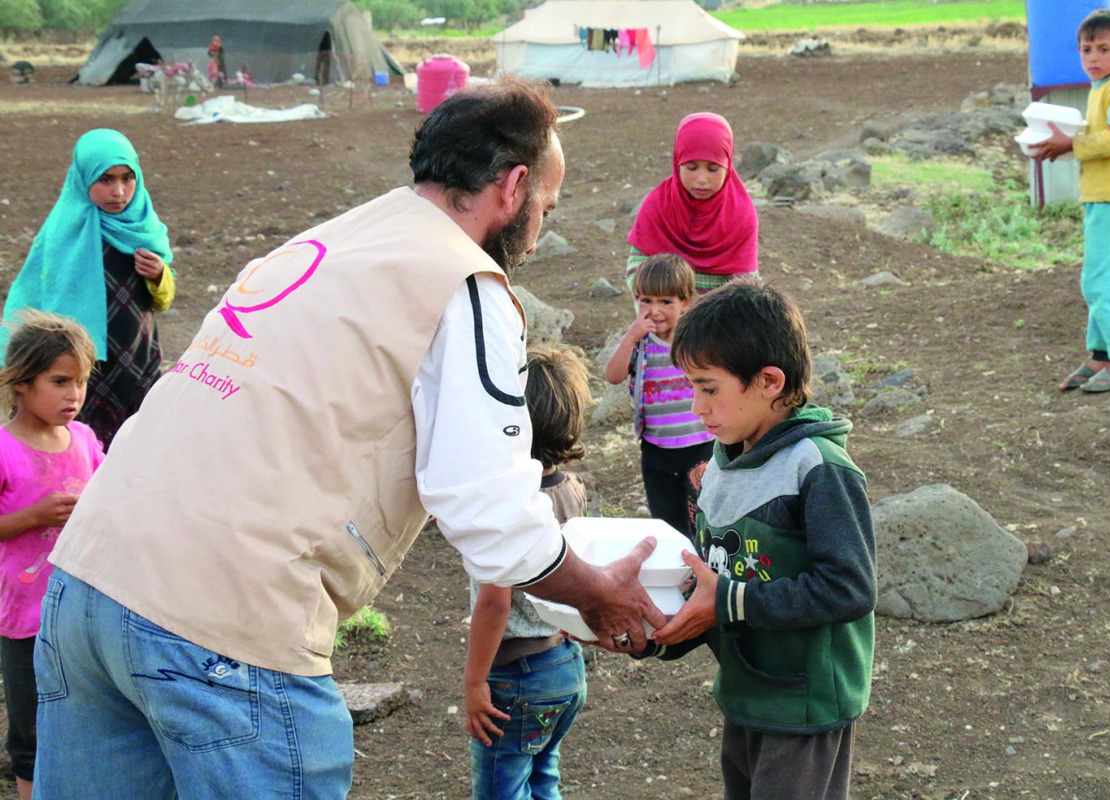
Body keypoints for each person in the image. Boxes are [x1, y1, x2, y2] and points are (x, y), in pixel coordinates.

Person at [32, 77, 664, 799]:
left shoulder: (328, 240)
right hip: (226, 624)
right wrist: (594, 594)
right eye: (546, 206)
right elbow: (491, 513)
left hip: (87, 579)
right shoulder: (464, 287)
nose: (542, 227)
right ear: (514, 187)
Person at [644, 282, 876, 800]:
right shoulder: (720, 462)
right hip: (747, 690)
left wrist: (727, 602)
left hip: (804, 704)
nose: (695, 405)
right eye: (690, 386)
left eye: (708, 387)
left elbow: (850, 588)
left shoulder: (818, 468)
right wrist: (652, 631)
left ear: (769, 381)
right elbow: (712, 578)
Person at [465, 344, 591, 800]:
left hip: (516, 676)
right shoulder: (571, 489)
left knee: (502, 790)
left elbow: (496, 603)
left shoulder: (509, 507)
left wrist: (475, 681)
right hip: (564, 665)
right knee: (542, 778)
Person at [0, 128, 176, 449]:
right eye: (105, 180)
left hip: (137, 356)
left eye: (127, 178)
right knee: (83, 444)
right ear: (83, 179)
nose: (119, 191)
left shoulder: (143, 229)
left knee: (139, 441)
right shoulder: (66, 231)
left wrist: (159, 276)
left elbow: (162, 302)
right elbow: (39, 294)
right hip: (83, 363)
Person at [0, 311, 105, 800]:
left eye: (81, 381)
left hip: (83, 613)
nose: (74, 395)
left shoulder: (84, 441)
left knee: (86, 714)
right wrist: (35, 515)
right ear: (21, 383)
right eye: (59, 381)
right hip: (23, 619)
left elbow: (109, 499)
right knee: (33, 727)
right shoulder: (3, 449)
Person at [1033, 10, 1110, 394]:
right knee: (1100, 279)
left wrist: (1072, 144)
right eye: (1086, 50)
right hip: (1106, 196)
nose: (1093, 57)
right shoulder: (1103, 87)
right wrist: (1062, 145)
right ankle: (1101, 356)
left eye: (1103, 49)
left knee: (1102, 282)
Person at [604, 254, 713, 538]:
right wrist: (630, 337)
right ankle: (676, 567)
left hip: (701, 443)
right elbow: (613, 375)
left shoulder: (697, 343)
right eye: (646, 300)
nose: (655, 310)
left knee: (704, 513)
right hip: (656, 447)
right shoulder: (640, 344)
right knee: (666, 517)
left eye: (666, 302)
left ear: (685, 303)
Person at [626, 112, 759, 294]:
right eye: (691, 167)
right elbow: (637, 267)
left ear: (728, 166)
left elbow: (745, 285)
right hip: (664, 312)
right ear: (677, 161)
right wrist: (654, 309)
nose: (702, 179)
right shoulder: (657, 205)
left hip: (716, 315)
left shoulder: (741, 214)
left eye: (713, 169)